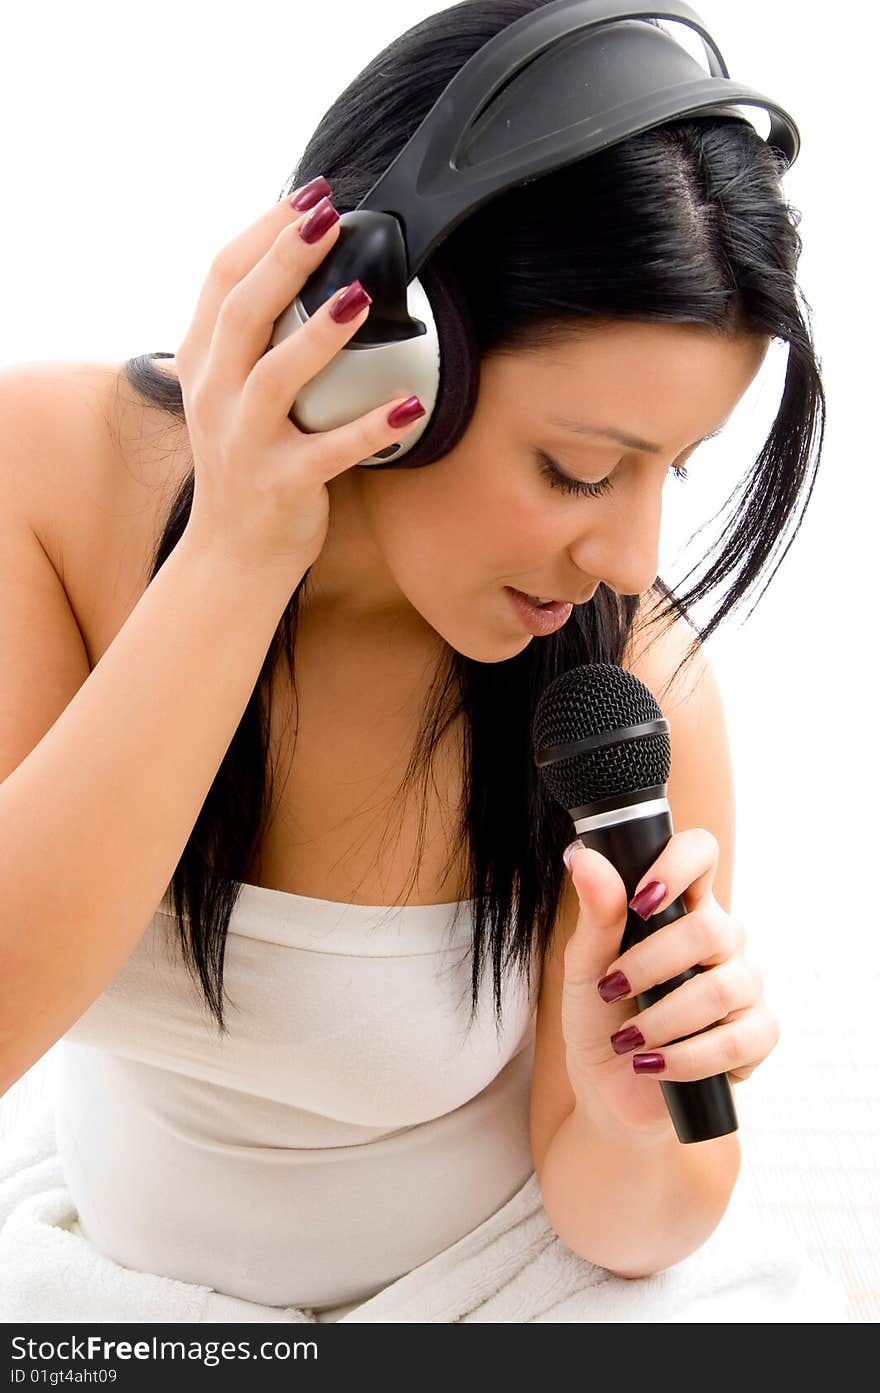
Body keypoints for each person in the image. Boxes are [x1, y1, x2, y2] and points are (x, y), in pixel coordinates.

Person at [0, 0, 828, 1321]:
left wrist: (626, 1112)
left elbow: (628, 1224)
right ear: (382, 345)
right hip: (136, 1291)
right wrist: (233, 557)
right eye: (579, 466)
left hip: (513, 1288)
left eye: (668, 471)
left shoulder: (635, 692)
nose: (630, 557)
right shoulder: (49, 480)